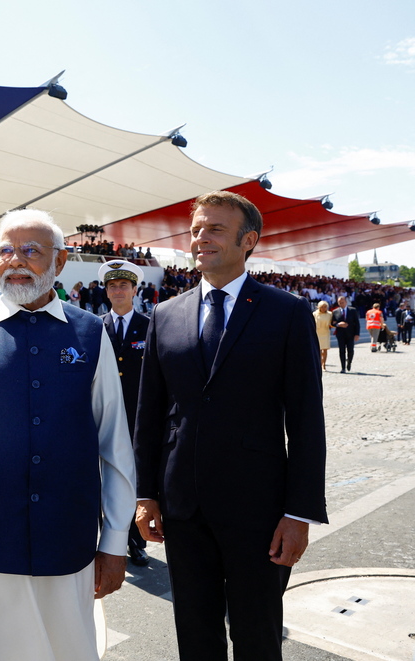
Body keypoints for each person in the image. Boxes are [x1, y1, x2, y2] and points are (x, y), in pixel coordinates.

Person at [0, 208, 136, 661]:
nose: (14, 260)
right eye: (4, 250)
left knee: (69, 650)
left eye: (30, 251)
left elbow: (114, 443)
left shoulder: (90, 332)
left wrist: (114, 542)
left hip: (68, 537)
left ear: (59, 264)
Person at [133, 191, 327, 660]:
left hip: (259, 512)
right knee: (195, 634)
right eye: (197, 229)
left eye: (215, 229)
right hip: (183, 509)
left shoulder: (286, 313)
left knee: (257, 634)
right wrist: (144, 494)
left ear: (249, 241)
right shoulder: (165, 314)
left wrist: (299, 514)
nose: (200, 238)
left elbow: (306, 421)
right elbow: (150, 414)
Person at [98, 259, 150, 567]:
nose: (118, 290)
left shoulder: (151, 326)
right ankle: (108, 540)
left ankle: (136, 541)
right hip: (104, 416)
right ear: (106, 292)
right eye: (112, 286)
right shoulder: (94, 328)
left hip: (137, 418)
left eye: (123, 285)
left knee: (134, 480)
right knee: (105, 481)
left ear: (134, 290)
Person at [332, 296, 359, 372]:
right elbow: (333, 323)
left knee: (350, 350)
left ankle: (349, 362)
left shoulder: (352, 310)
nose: (341, 304)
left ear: (346, 302)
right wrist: (338, 324)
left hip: (350, 334)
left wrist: (357, 334)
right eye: (339, 302)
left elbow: (357, 323)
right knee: (341, 351)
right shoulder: (335, 311)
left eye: (342, 302)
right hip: (340, 334)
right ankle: (343, 367)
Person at [313, 300, 333, 370]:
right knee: (319, 350)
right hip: (317, 333)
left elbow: (332, 323)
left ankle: (324, 364)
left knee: (325, 350)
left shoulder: (330, 314)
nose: (324, 308)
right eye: (322, 307)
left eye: (325, 307)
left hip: (325, 333)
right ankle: (319, 363)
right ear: (319, 307)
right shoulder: (315, 314)